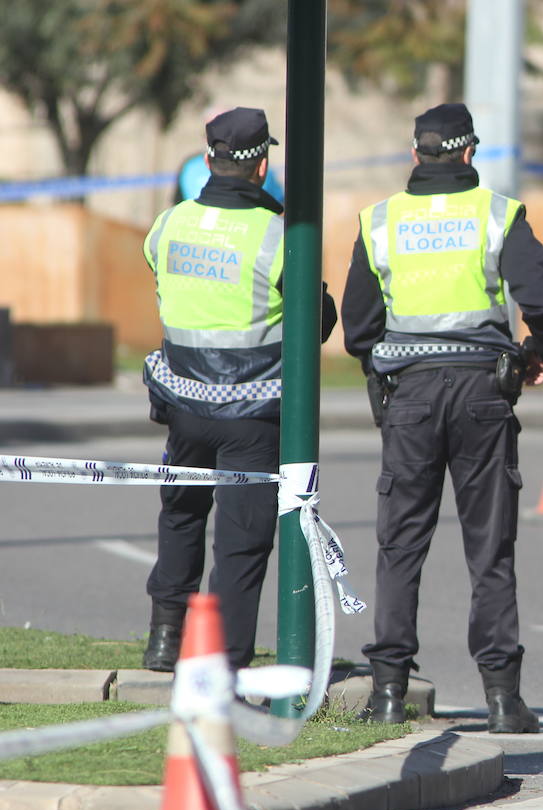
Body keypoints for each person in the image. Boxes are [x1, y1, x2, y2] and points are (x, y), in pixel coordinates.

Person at [342, 103, 543, 730]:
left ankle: (388, 692)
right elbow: (541, 297)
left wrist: (390, 355)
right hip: (482, 394)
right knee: (489, 548)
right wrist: (539, 351)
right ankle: (502, 700)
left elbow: (358, 328)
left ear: (416, 154)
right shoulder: (498, 213)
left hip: (409, 397)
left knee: (400, 544)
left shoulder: (380, 220)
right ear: (469, 154)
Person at [142, 107, 337, 672]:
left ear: (208, 159)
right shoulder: (277, 237)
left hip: (182, 406)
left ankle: (164, 638)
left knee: (180, 516)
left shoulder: (169, 224)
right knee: (242, 538)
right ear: (262, 166)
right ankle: (223, 658)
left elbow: (162, 279)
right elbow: (318, 320)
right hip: (252, 412)